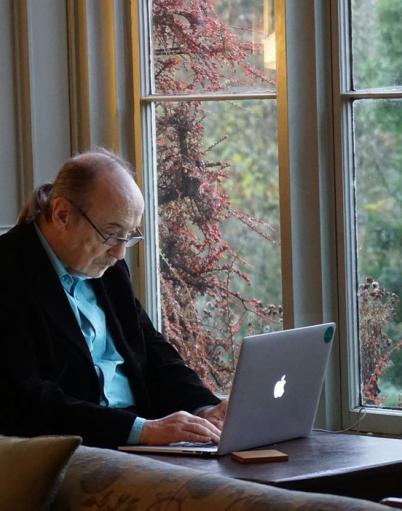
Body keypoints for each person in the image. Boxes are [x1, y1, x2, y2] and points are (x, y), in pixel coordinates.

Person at [0, 149, 227, 448]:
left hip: (143, 440)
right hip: (79, 450)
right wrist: (141, 430)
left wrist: (205, 408)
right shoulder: (8, 272)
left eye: (129, 236)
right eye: (111, 234)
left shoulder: (107, 266)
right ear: (62, 215)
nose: (120, 253)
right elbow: (25, 400)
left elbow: (151, 350)